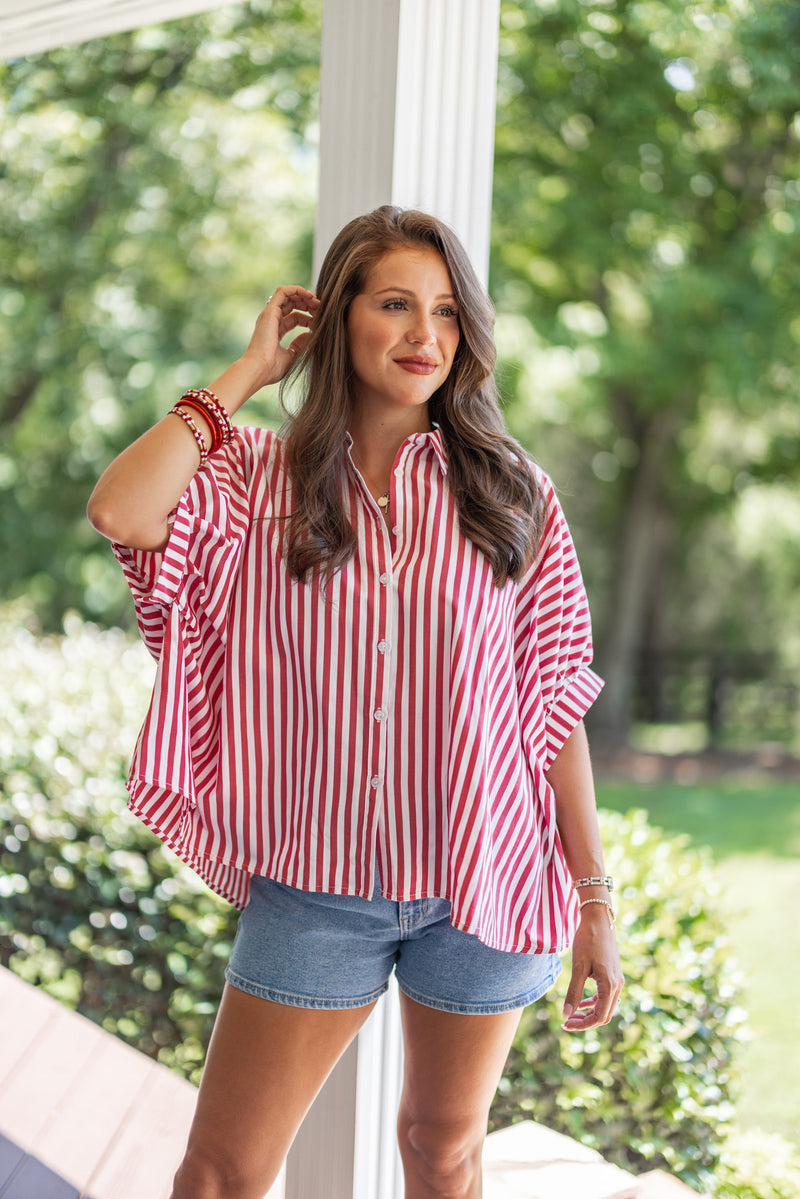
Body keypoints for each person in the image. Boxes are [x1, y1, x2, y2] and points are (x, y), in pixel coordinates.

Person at [88, 205, 623, 1199]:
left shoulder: (511, 492)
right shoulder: (251, 476)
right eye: (393, 304)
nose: (425, 335)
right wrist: (245, 373)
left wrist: (592, 898)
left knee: (439, 1149)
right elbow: (123, 509)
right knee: (219, 1171)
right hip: (317, 884)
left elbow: (551, 702)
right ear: (337, 319)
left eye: (446, 312)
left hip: (483, 881)